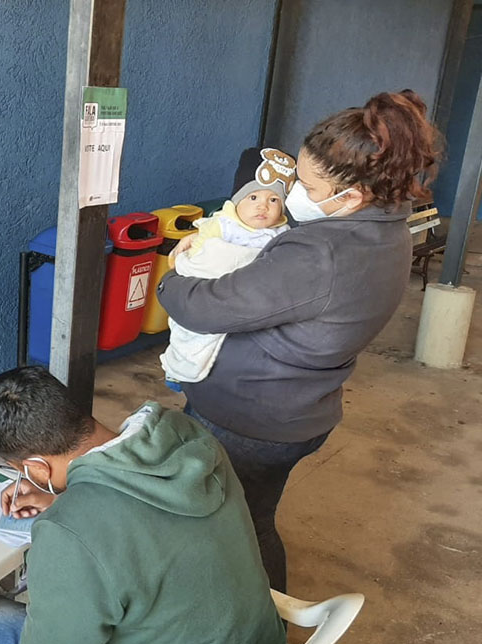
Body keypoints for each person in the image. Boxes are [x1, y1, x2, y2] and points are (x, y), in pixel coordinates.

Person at [157, 90, 441, 592]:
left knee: (229, 527)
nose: (292, 197)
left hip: (254, 419)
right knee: (254, 516)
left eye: (306, 186)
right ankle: (267, 623)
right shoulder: (387, 227)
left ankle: (253, 632)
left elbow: (203, 306)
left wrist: (174, 276)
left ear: (349, 196)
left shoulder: (321, 252)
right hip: (301, 406)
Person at [0, 367, 285, 644]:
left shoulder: (68, 535)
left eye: (20, 471)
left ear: (36, 468)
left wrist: (69, 517)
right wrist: (69, 498)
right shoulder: (186, 437)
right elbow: (147, 524)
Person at [160, 147, 296, 391]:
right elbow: (194, 258)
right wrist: (187, 253)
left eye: (273, 200)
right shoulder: (221, 224)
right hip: (212, 290)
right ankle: (179, 369)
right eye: (253, 198)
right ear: (238, 201)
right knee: (191, 330)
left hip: (246, 298)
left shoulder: (282, 233)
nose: (262, 207)